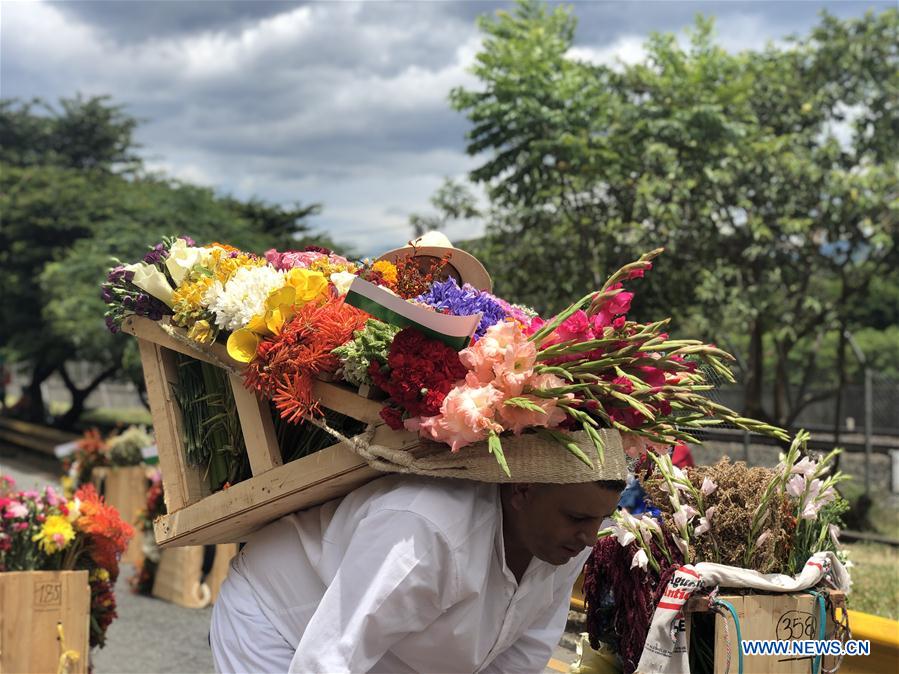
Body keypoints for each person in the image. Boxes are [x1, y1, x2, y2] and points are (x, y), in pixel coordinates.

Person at [210, 470, 625, 673]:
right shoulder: (428, 530)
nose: (590, 537)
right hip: (278, 627)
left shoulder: (569, 544)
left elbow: (520, 657)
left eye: (601, 520)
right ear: (522, 491)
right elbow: (328, 658)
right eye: (576, 517)